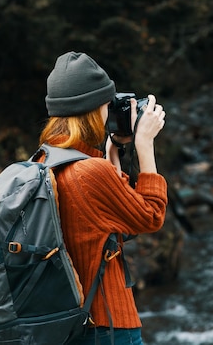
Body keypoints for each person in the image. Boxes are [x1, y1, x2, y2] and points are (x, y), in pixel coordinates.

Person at [38, 51, 168, 345]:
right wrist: (144, 145)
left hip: (65, 327)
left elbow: (115, 220)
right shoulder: (89, 173)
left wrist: (112, 153)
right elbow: (149, 216)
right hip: (107, 327)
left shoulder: (44, 162)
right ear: (95, 108)